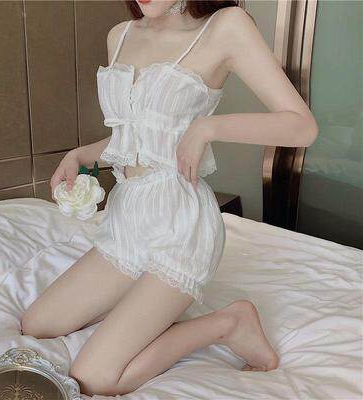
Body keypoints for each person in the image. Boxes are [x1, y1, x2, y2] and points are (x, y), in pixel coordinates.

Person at [21, 0, 318, 396]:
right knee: (37, 325)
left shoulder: (225, 26)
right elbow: (134, 138)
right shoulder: (120, 35)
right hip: (128, 220)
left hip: (180, 225)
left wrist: (208, 128)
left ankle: (230, 323)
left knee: (93, 377)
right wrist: (80, 155)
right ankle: (141, 304)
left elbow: (302, 127)